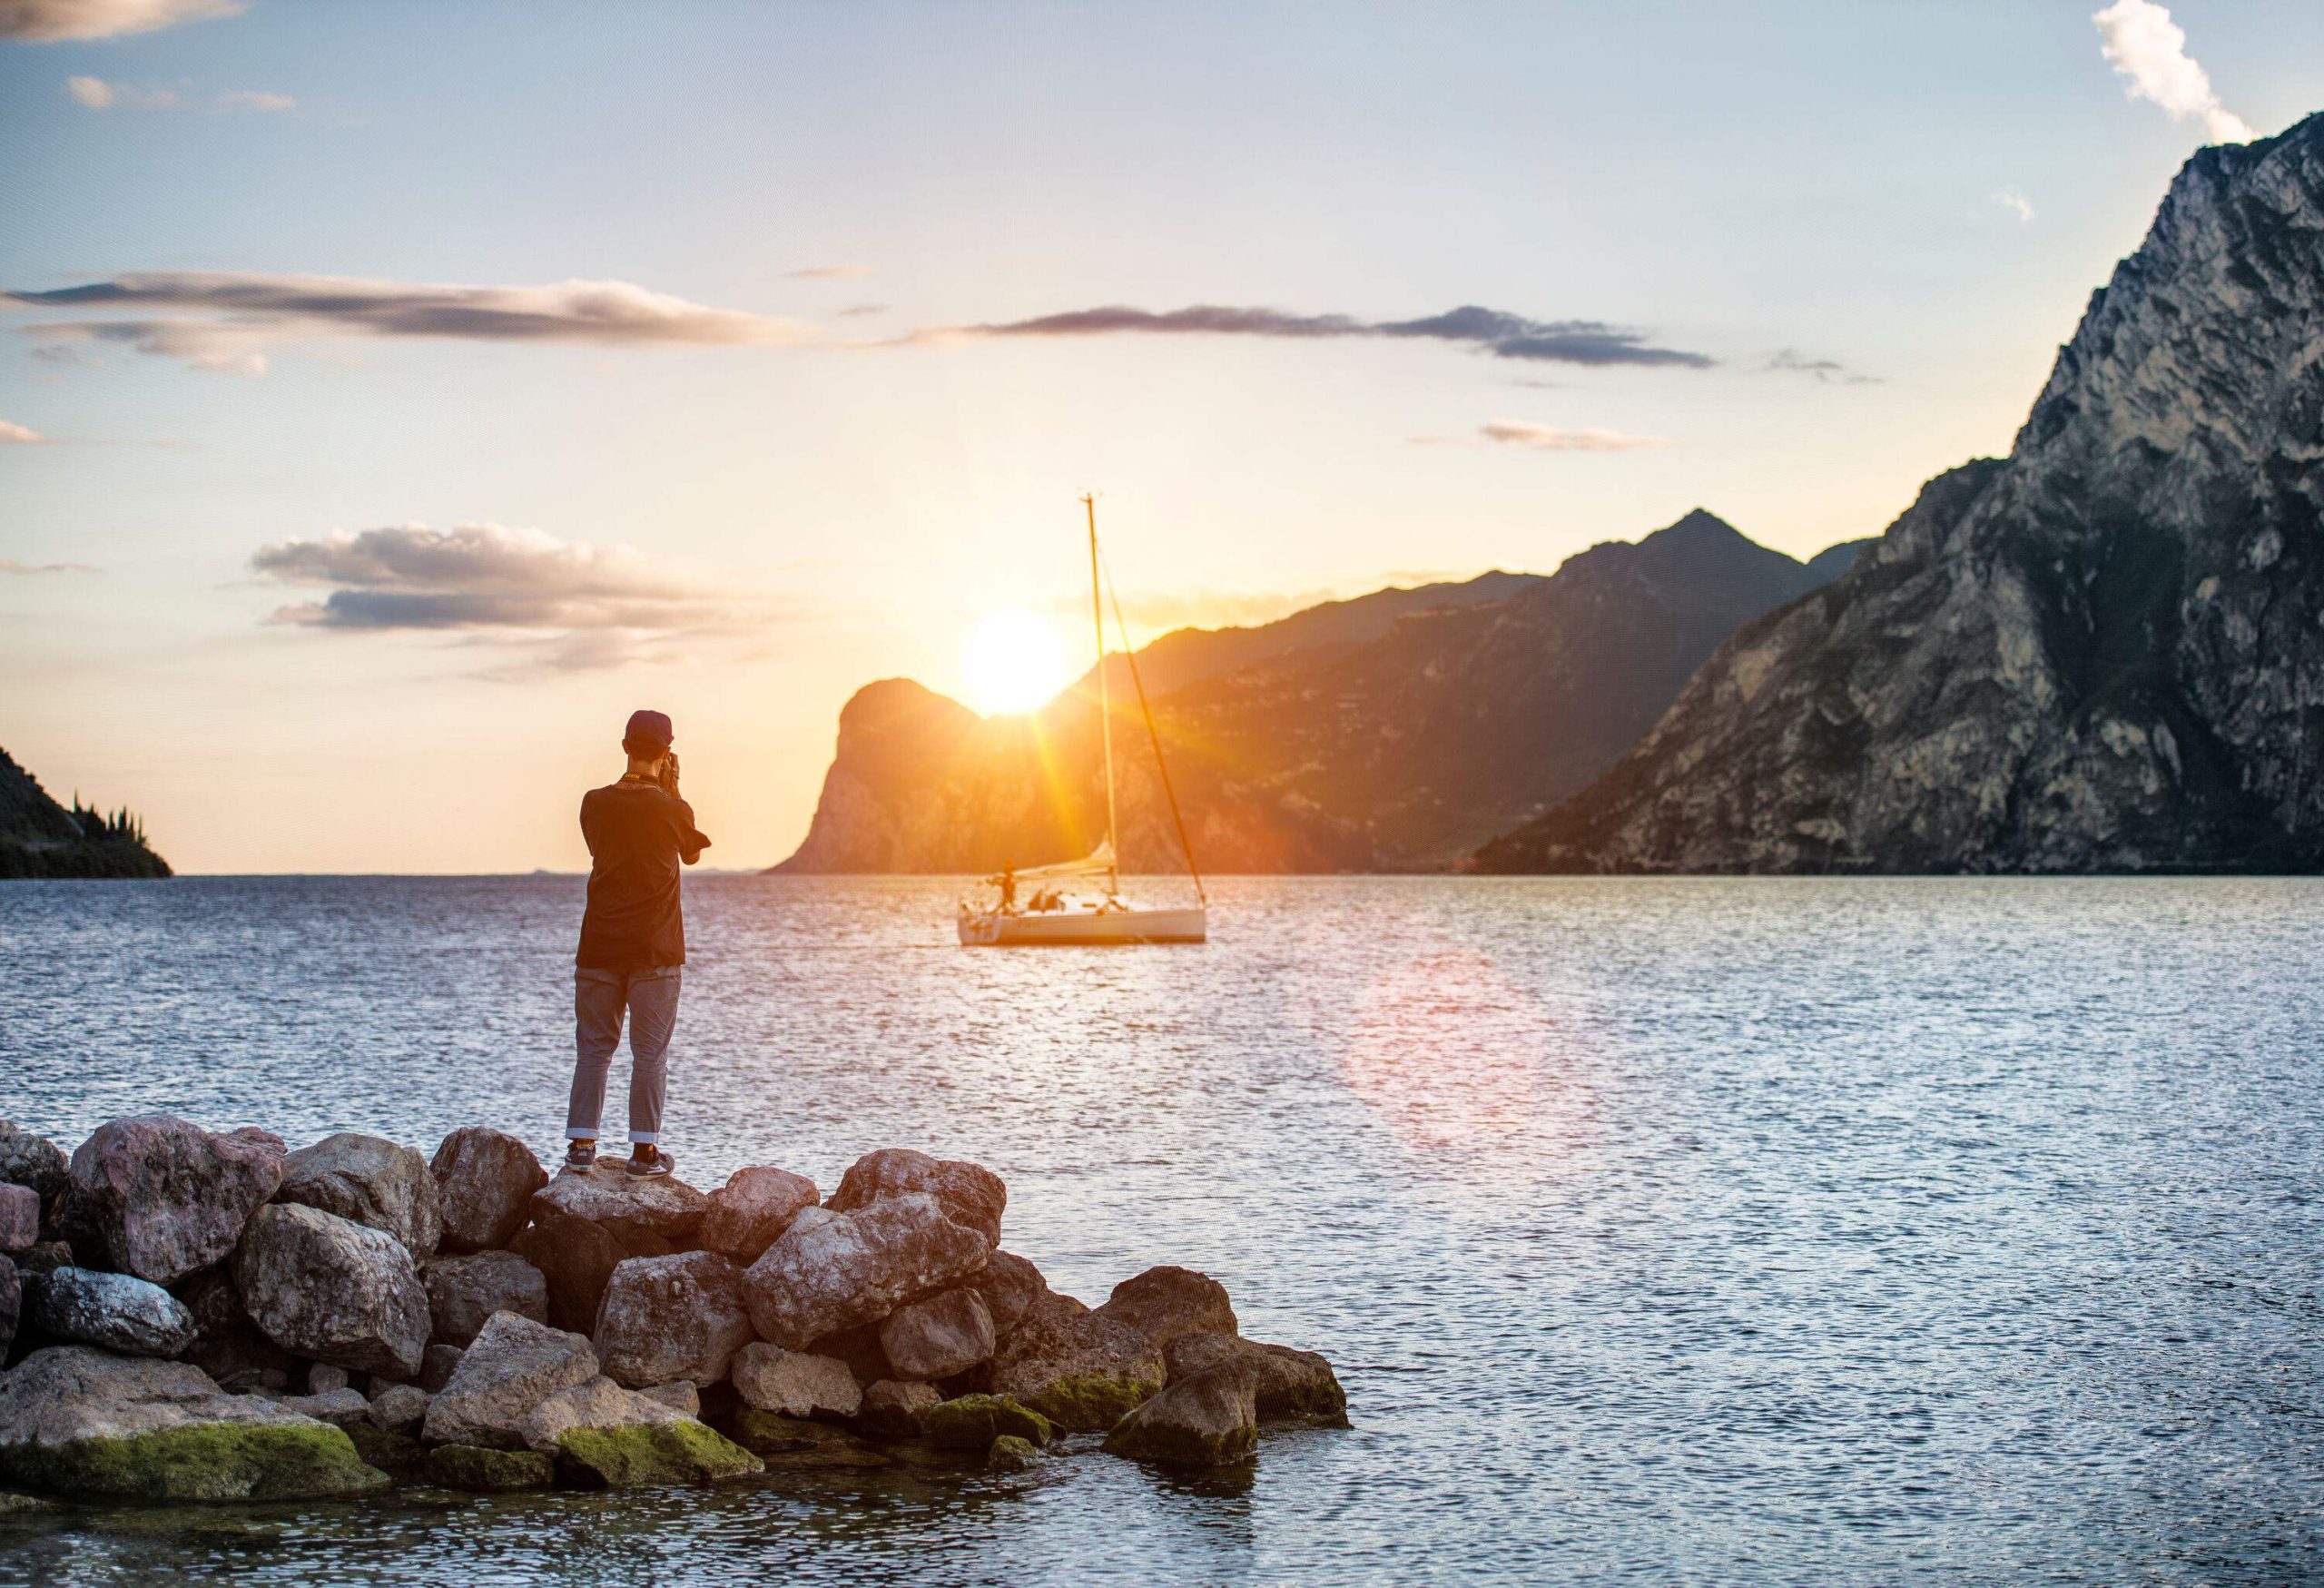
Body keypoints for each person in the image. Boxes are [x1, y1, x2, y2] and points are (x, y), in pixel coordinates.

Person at [563, 708, 710, 1179]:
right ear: (667, 751)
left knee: (594, 1050)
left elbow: (598, 848)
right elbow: (690, 852)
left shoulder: (593, 803)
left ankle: (582, 1146)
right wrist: (673, 791)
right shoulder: (673, 808)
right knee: (649, 1054)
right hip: (656, 950)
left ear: (625, 746)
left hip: (600, 944)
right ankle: (644, 1154)